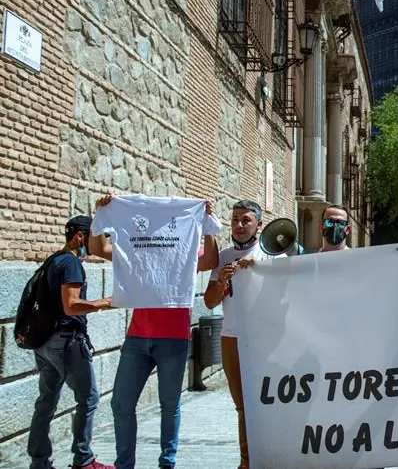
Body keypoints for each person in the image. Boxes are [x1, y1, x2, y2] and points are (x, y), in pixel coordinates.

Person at [91, 195, 219, 469]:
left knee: (169, 405)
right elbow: (98, 247)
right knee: (121, 404)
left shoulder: (185, 251)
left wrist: (206, 221)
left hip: (173, 339)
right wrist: (101, 213)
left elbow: (210, 259)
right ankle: (125, 465)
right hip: (137, 337)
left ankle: (166, 463)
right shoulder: (137, 248)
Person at [27, 216, 114, 469]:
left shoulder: (53, 260)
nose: (97, 244)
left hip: (44, 342)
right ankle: (83, 460)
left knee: (46, 401)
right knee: (89, 398)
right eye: (94, 238)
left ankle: (39, 462)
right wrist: (104, 302)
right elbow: (71, 305)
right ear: (80, 236)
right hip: (65, 342)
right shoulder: (71, 264)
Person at [204, 200, 282, 469]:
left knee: (269, 402)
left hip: (266, 339)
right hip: (232, 337)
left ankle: (275, 458)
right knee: (243, 406)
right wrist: (223, 280)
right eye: (235, 219)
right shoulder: (224, 256)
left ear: (258, 224)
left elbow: (286, 296)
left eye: (245, 220)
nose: (238, 225)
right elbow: (209, 302)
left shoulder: (273, 254)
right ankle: (247, 461)